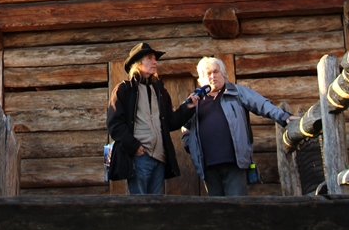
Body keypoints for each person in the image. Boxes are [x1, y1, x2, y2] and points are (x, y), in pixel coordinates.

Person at [182, 56, 298, 196]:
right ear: (201, 80)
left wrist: (283, 117)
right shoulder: (195, 101)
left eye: (216, 72)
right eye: (208, 73)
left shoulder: (237, 92)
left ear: (223, 74)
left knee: (237, 207)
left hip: (234, 163)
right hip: (208, 166)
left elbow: (261, 104)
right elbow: (184, 126)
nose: (213, 76)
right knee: (216, 210)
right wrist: (190, 145)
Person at [106, 42, 198, 194]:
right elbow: (114, 124)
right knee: (141, 208)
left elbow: (170, 122)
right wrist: (134, 147)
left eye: (155, 59)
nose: (155, 62)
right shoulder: (124, 90)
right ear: (137, 63)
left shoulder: (160, 91)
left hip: (160, 158)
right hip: (140, 157)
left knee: (157, 208)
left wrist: (187, 108)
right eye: (149, 58)